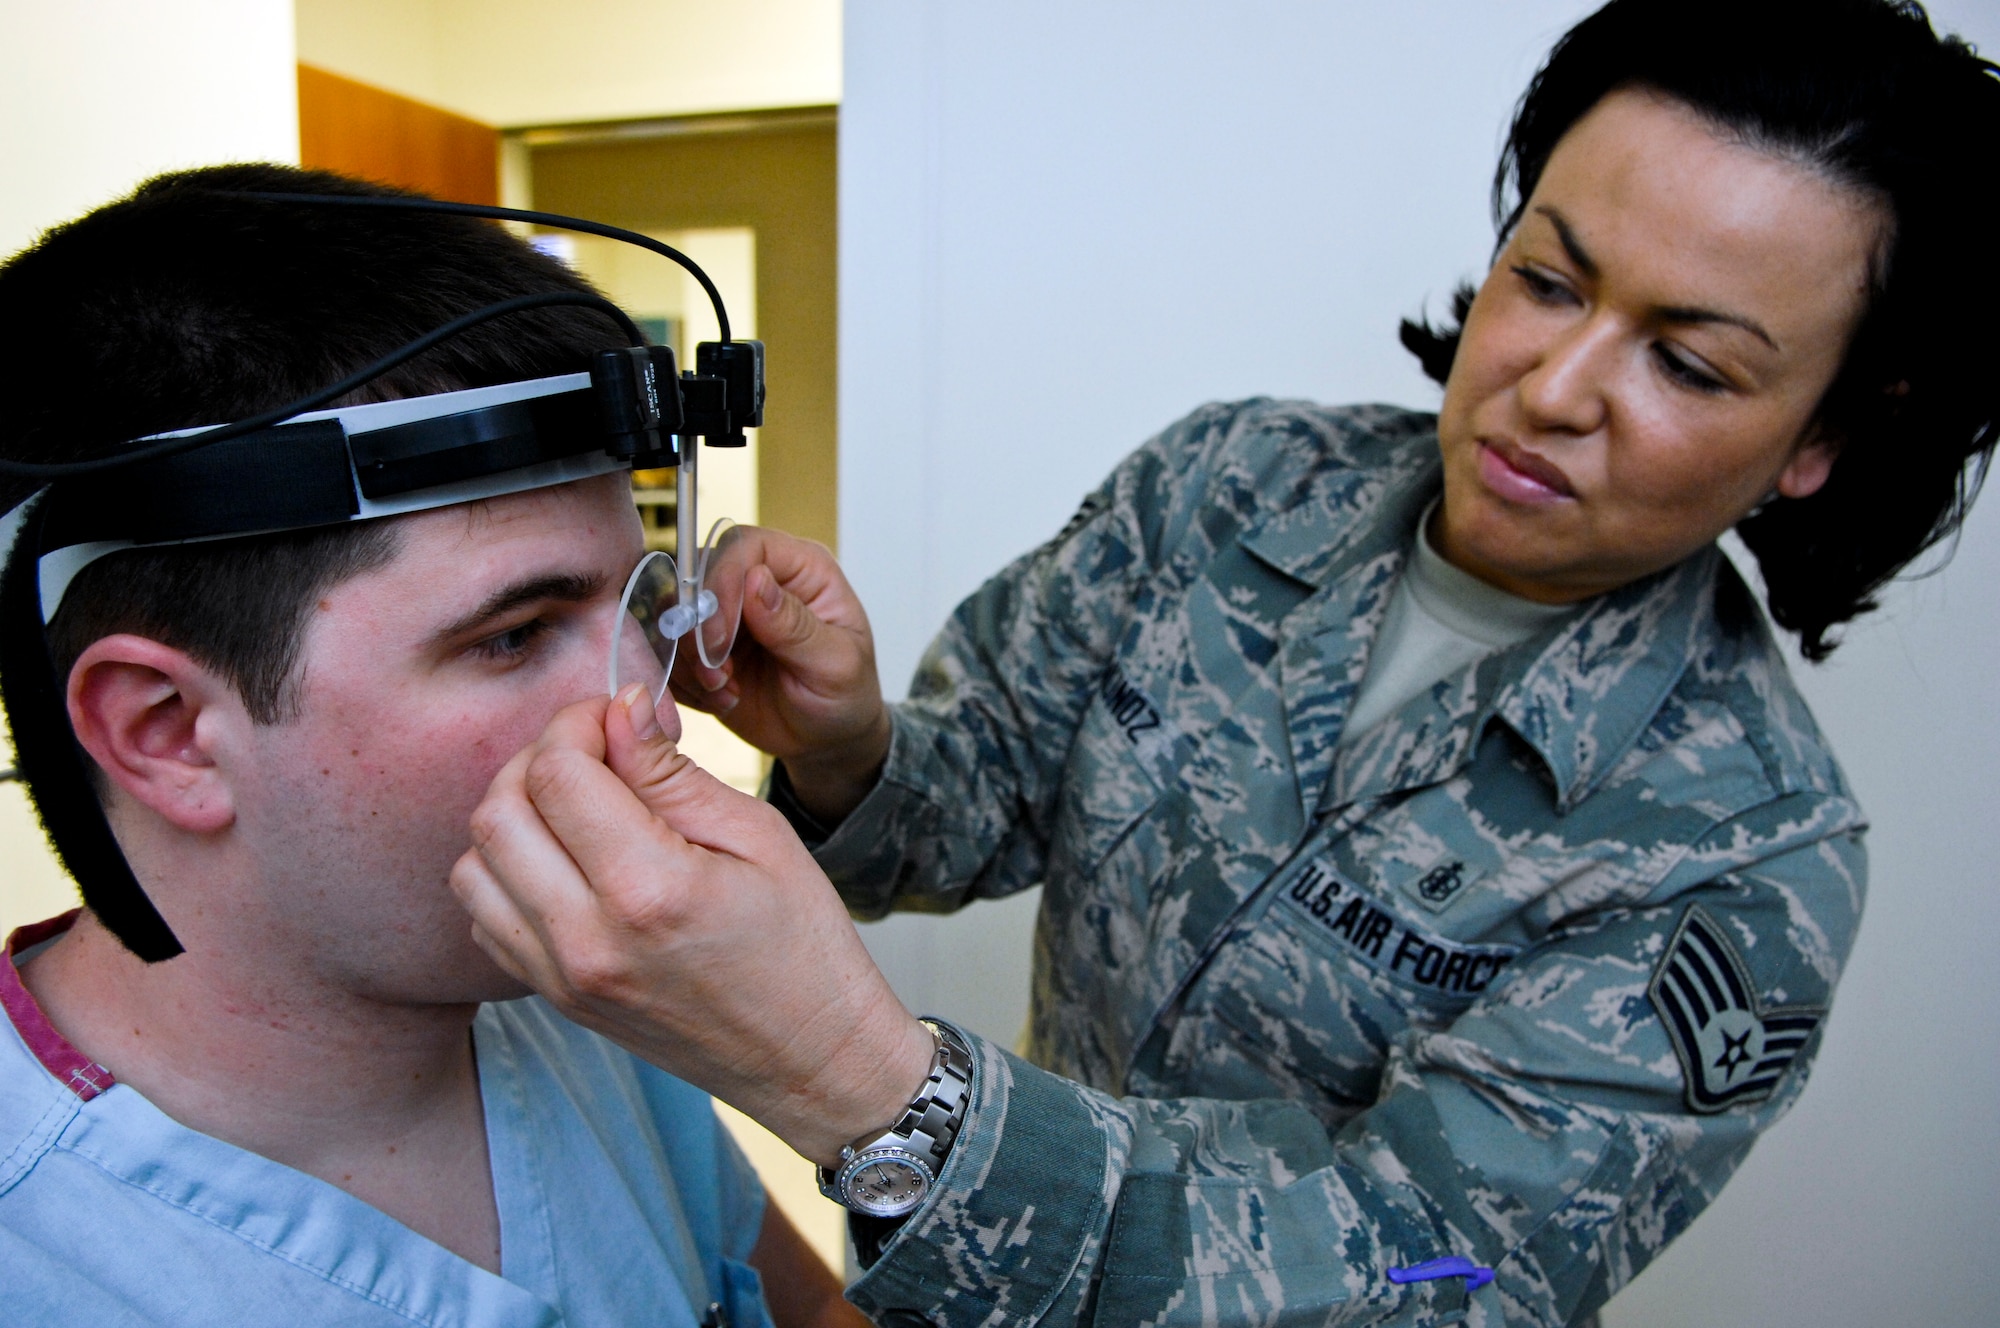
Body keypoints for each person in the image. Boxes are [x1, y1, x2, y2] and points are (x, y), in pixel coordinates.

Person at [449, 1, 2000, 1325]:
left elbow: (1431, 1274)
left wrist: (867, 1084)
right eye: (1548, 279)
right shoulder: (1232, 485)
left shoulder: (1745, 863)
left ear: (1825, 441)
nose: (1557, 386)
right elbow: (980, 789)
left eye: (1689, 361)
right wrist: (855, 746)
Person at [0, 166, 863, 1328]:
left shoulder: (586, 1009)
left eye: (633, 601)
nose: (650, 716)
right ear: (167, 735)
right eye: (513, 636)